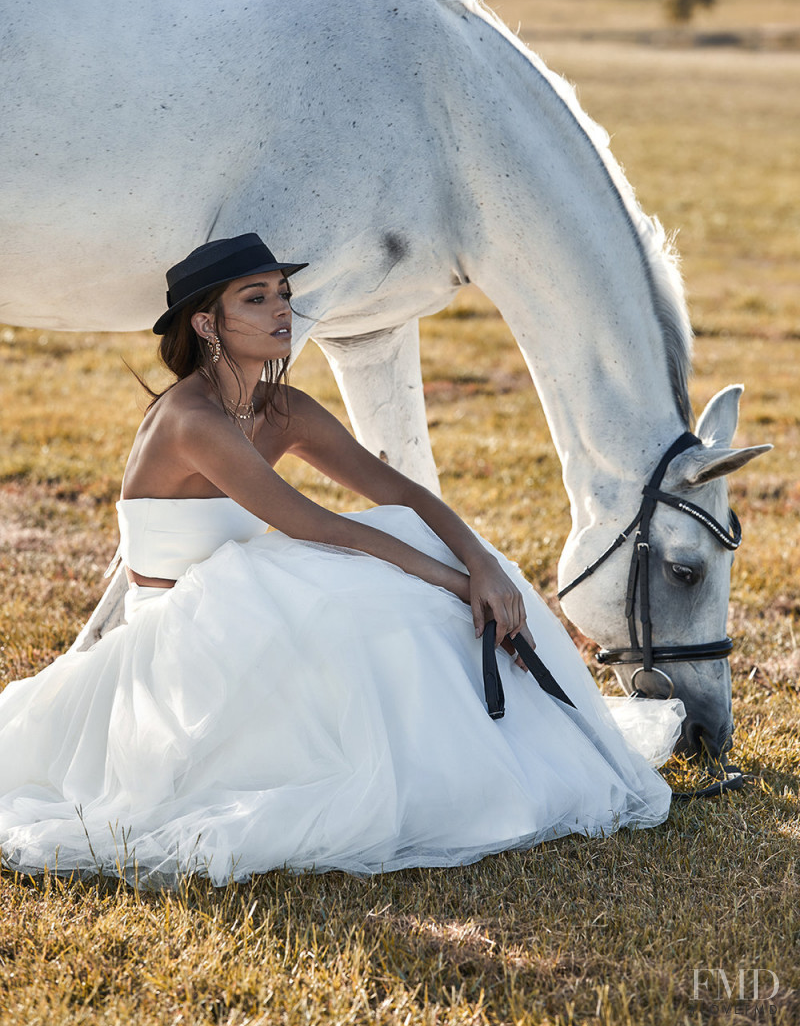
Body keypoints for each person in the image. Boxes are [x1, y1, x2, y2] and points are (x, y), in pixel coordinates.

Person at [0, 233, 685, 886]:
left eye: (281, 293)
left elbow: (403, 493)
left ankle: (476, 763)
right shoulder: (193, 421)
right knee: (374, 601)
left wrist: (484, 567)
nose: (280, 311)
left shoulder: (281, 409)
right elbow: (315, 524)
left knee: (401, 547)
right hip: (174, 631)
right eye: (255, 298)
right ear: (207, 326)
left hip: (234, 598)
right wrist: (457, 586)